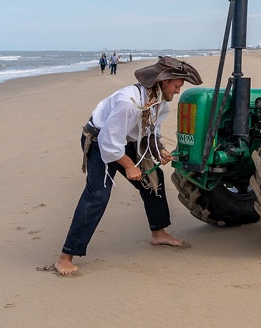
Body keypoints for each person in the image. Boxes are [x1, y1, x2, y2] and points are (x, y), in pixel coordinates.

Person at [54, 56, 202, 276]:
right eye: (177, 85)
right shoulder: (128, 102)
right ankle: (65, 257)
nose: (178, 91)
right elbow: (108, 143)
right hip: (99, 142)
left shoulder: (160, 102)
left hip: (127, 141)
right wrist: (130, 165)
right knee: (98, 195)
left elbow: (150, 133)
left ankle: (158, 233)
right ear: (164, 81)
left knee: (154, 181)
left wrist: (158, 150)